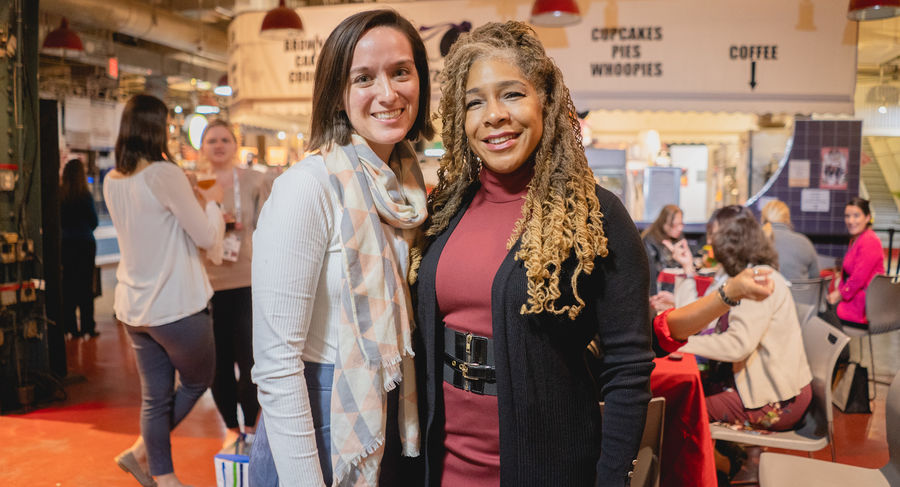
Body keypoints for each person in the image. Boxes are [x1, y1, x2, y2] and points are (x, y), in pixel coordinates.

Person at [410, 22, 654, 486]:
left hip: (546, 469)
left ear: (545, 99)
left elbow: (628, 369)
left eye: (512, 95)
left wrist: (612, 478)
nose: (494, 115)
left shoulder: (595, 216)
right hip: (441, 468)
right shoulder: (443, 210)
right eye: (474, 101)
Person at [249, 9, 433, 486]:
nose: (388, 94)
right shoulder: (307, 188)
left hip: (381, 411)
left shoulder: (406, 190)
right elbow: (277, 366)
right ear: (337, 93)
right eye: (364, 78)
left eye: (401, 72)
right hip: (313, 423)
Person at [105, 94, 224, 487]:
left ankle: (164, 475)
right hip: (177, 307)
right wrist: (212, 204)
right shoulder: (163, 175)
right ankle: (142, 451)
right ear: (155, 128)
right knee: (197, 381)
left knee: (155, 398)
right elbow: (206, 236)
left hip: (134, 309)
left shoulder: (112, 180)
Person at [665, 206, 813, 432]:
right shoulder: (736, 276)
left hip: (774, 398)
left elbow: (737, 346)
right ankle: (726, 458)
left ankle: (725, 460)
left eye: (713, 235)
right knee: (678, 392)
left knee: (680, 409)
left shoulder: (759, 281)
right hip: (746, 382)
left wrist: (680, 343)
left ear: (731, 238)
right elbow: (698, 317)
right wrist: (687, 270)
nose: (709, 242)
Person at [199, 119, 271, 450]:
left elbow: (270, 225)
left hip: (247, 281)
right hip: (208, 285)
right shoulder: (193, 185)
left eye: (225, 139)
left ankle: (253, 425)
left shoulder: (255, 180)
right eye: (211, 139)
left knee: (251, 360)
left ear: (235, 144)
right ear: (202, 146)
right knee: (218, 365)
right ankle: (230, 426)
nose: (218, 145)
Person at [826, 197, 885, 329]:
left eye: (856, 216)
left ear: (867, 217)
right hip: (857, 300)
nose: (850, 221)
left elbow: (858, 278)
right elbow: (846, 274)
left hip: (866, 307)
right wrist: (838, 292)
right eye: (847, 216)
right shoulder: (857, 239)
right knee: (825, 308)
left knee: (823, 313)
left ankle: (839, 350)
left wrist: (839, 294)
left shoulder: (870, 240)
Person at [59, 158, 99, 339]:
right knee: (85, 287)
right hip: (85, 244)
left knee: (68, 286)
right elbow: (94, 221)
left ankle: (70, 327)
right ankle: (87, 328)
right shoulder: (85, 195)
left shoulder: (60, 195)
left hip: (66, 244)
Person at [760, 199, 819, 280]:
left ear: (762, 219)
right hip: (798, 293)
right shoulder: (804, 242)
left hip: (765, 292)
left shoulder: (755, 242)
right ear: (788, 220)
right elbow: (815, 279)